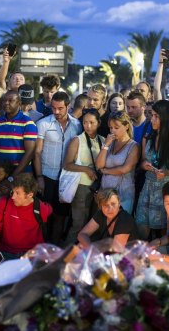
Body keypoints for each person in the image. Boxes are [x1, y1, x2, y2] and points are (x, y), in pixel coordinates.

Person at [135, 100, 169, 239]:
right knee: (142, 227)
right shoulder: (147, 138)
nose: (152, 119)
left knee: (166, 232)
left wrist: (167, 172)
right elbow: (142, 162)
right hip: (148, 188)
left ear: (165, 118)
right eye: (152, 115)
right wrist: (145, 165)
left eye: (156, 116)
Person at [34, 91, 82, 244]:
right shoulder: (43, 124)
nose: (56, 112)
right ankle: (42, 248)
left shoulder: (77, 125)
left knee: (61, 216)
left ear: (68, 106)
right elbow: (37, 152)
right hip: (47, 176)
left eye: (60, 108)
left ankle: (55, 249)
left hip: (67, 179)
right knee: (44, 215)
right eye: (54, 108)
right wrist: (40, 177)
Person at [63, 109, 105, 245]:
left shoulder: (103, 140)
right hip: (81, 187)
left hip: (98, 188)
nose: (88, 126)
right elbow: (67, 164)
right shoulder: (77, 140)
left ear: (99, 123)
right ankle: (66, 254)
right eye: (85, 122)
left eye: (92, 122)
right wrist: (86, 169)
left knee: (93, 225)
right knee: (78, 224)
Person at [0, 174, 52, 262]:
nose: (13, 197)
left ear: (30, 195)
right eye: (13, 192)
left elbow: (50, 209)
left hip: (31, 254)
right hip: (6, 252)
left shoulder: (40, 208)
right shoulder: (3, 203)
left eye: (17, 193)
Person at [0, 90, 37, 187]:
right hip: (1, 175)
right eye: (4, 100)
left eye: (10, 100)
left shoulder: (28, 123)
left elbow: (30, 152)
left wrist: (12, 177)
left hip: (21, 175)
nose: (6, 103)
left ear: (19, 103)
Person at [96, 110, 140, 214]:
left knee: (119, 226)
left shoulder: (133, 146)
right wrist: (105, 145)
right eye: (110, 128)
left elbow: (125, 169)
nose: (112, 131)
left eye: (116, 127)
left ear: (126, 126)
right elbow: (99, 165)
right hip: (106, 193)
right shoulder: (109, 143)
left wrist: (105, 171)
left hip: (123, 195)